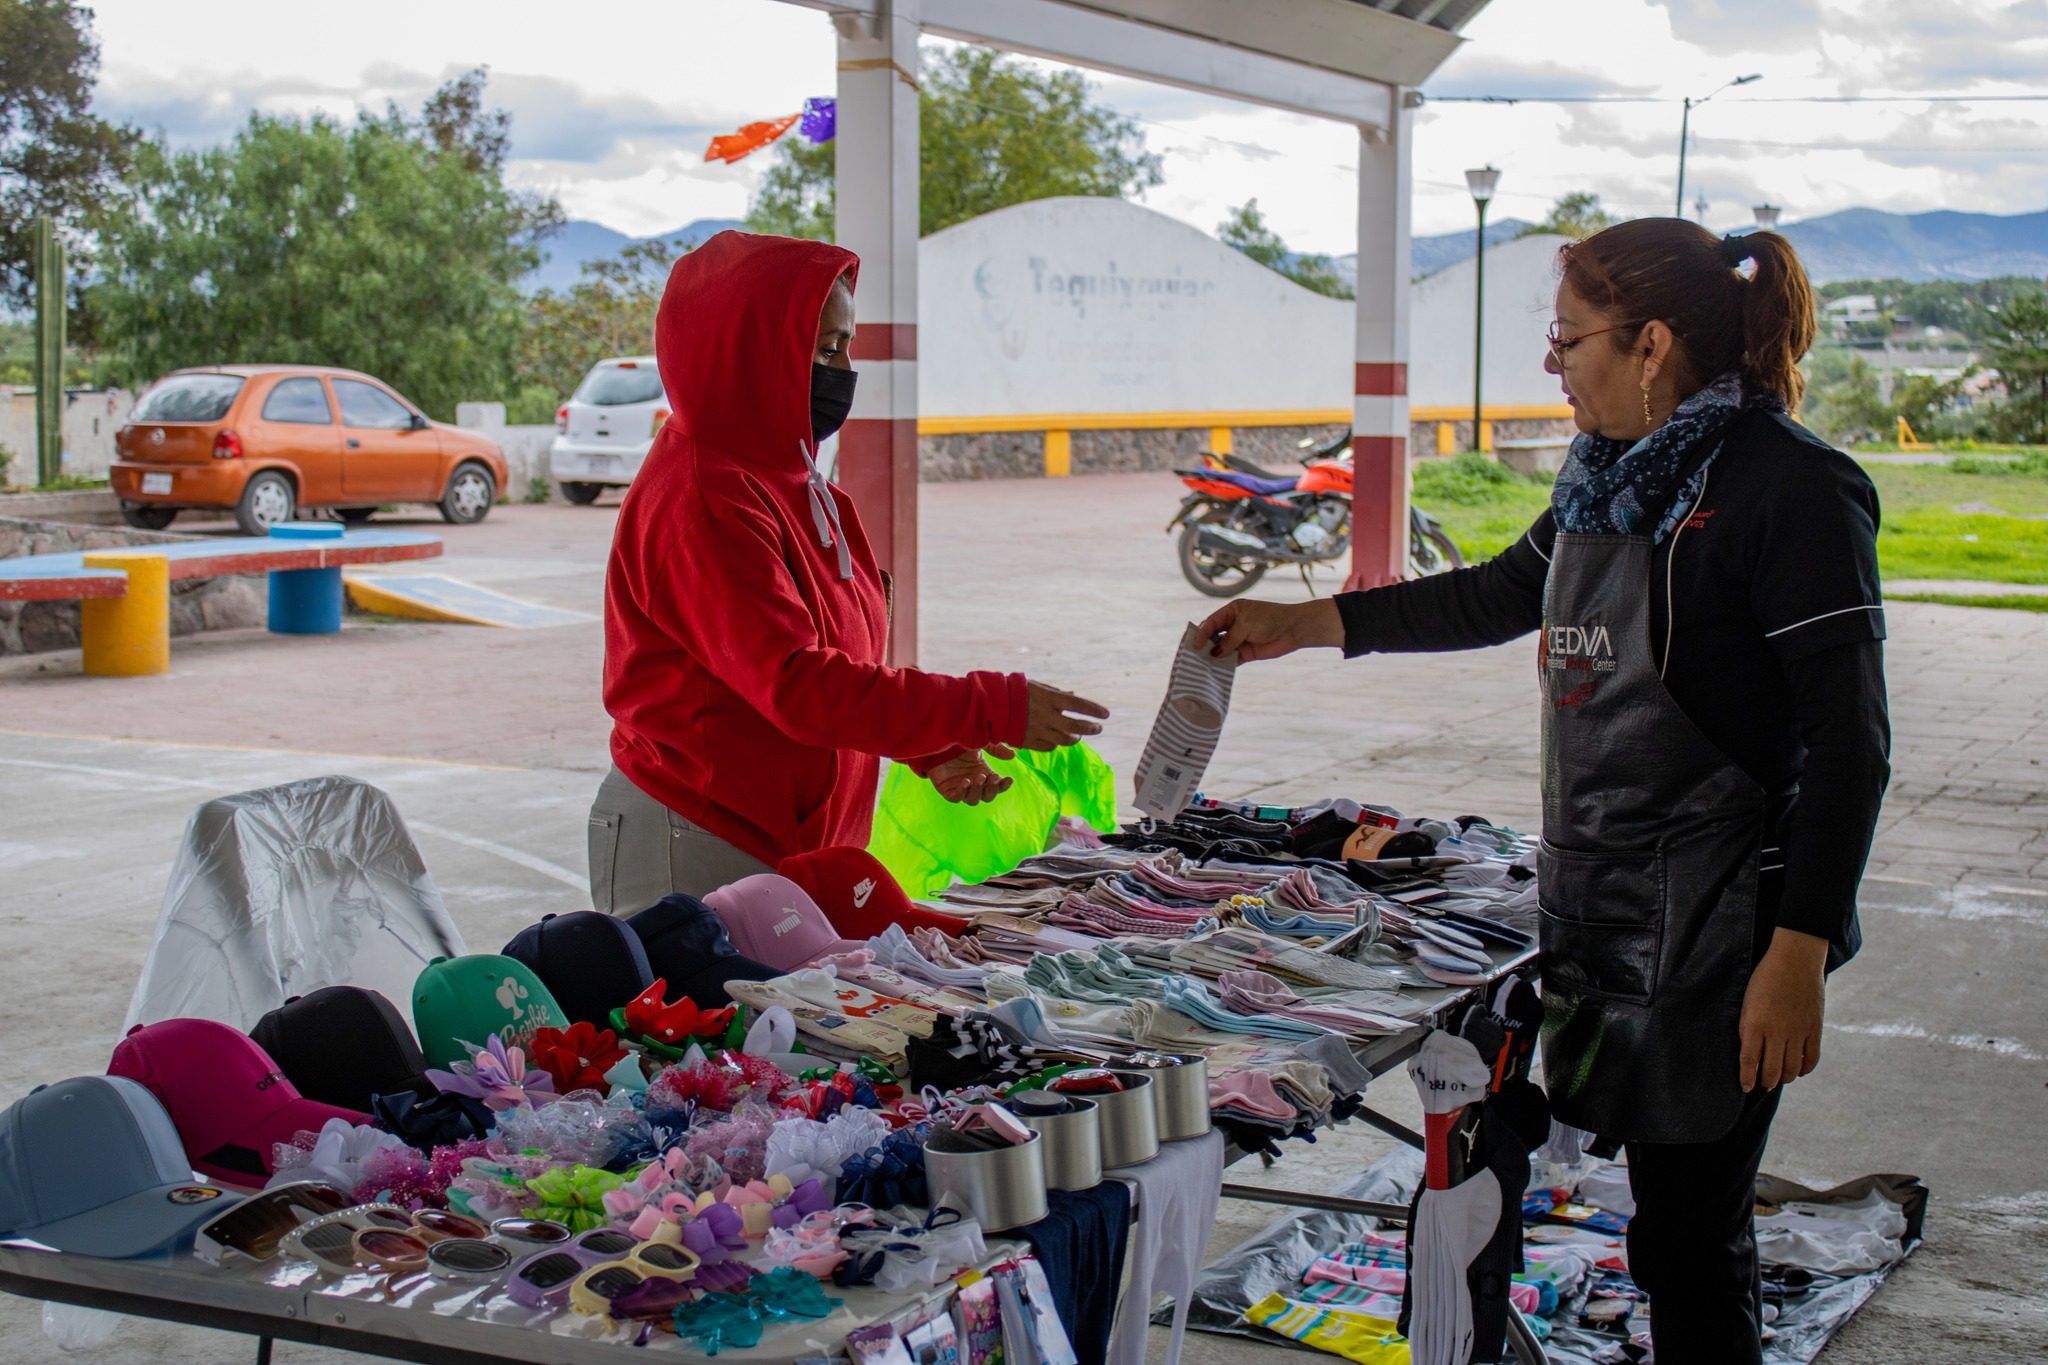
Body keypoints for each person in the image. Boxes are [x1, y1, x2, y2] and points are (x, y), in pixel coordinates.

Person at [1201, 219, 1889, 1365]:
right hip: (1601, 907)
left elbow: (1849, 745)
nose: (1552, 364)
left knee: (1687, 1239)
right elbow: (1487, 597)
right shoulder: (1605, 481)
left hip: (1727, 934)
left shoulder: (1793, 492)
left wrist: (1797, 954)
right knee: (1649, 1225)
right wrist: (1305, 622)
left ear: (1651, 343)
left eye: (1567, 340)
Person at [594, 231, 1109, 910]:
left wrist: (927, 746)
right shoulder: (703, 498)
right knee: (721, 1018)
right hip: (698, 833)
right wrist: (989, 707)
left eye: (846, 348)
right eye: (824, 350)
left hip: (794, 839)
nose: (841, 371)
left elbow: (841, 662)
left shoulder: (796, 482)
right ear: (753, 351)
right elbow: (798, 684)